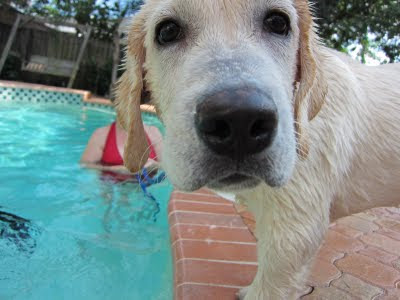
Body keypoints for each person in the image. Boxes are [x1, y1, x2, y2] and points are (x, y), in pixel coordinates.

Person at [80, 120, 162, 177]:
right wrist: (113, 169)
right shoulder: (101, 135)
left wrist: (154, 165)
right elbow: (85, 165)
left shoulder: (153, 132)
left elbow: (169, 168)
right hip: (110, 190)